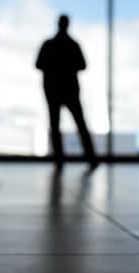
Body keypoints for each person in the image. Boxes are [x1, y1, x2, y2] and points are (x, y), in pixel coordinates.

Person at [36, 15, 98, 169]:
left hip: (52, 89)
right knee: (80, 124)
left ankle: (59, 160)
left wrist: (53, 69)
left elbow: (38, 64)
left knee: (55, 125)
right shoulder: (73, 45)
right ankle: (91, 158)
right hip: (70, 89)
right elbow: (83, 65)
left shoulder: (49, 44)